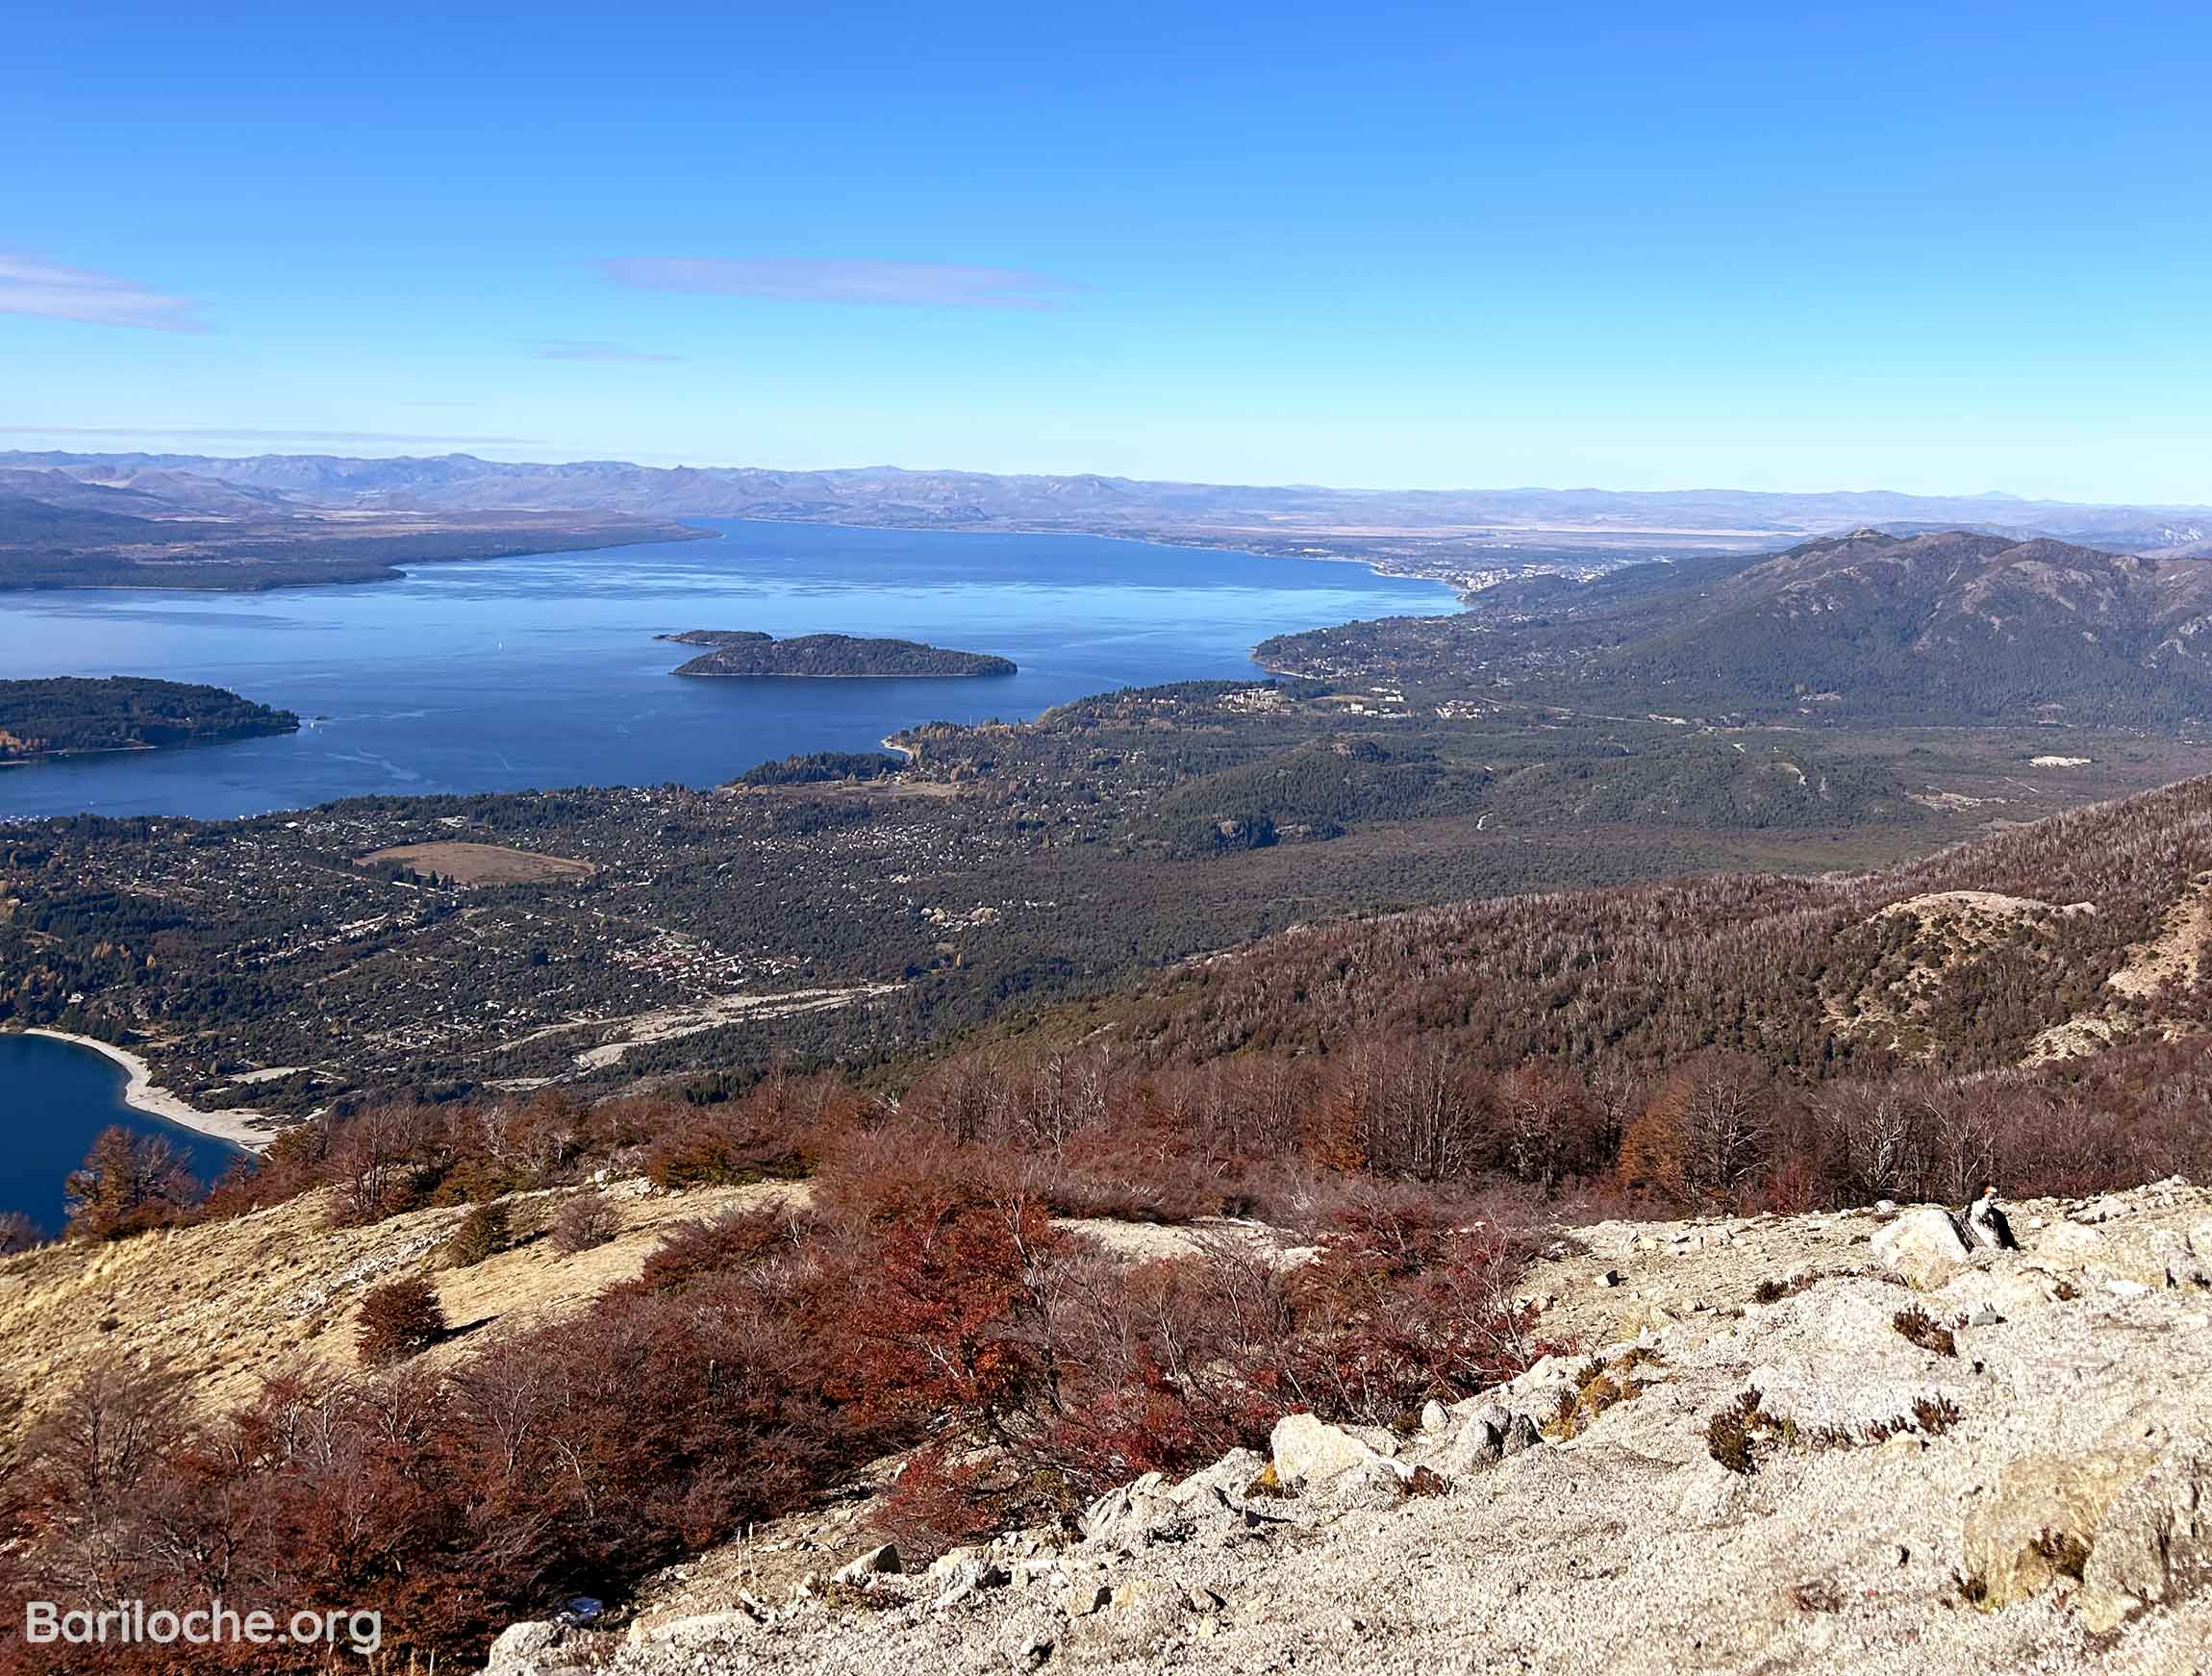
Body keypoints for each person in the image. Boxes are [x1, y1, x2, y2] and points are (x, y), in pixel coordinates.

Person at [1963, 1184, 2020, 1251]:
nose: (1990, 1189)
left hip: (1998, 1247)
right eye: (1986, 1188)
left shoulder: (1996, 1215)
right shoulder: (1970, 1212)